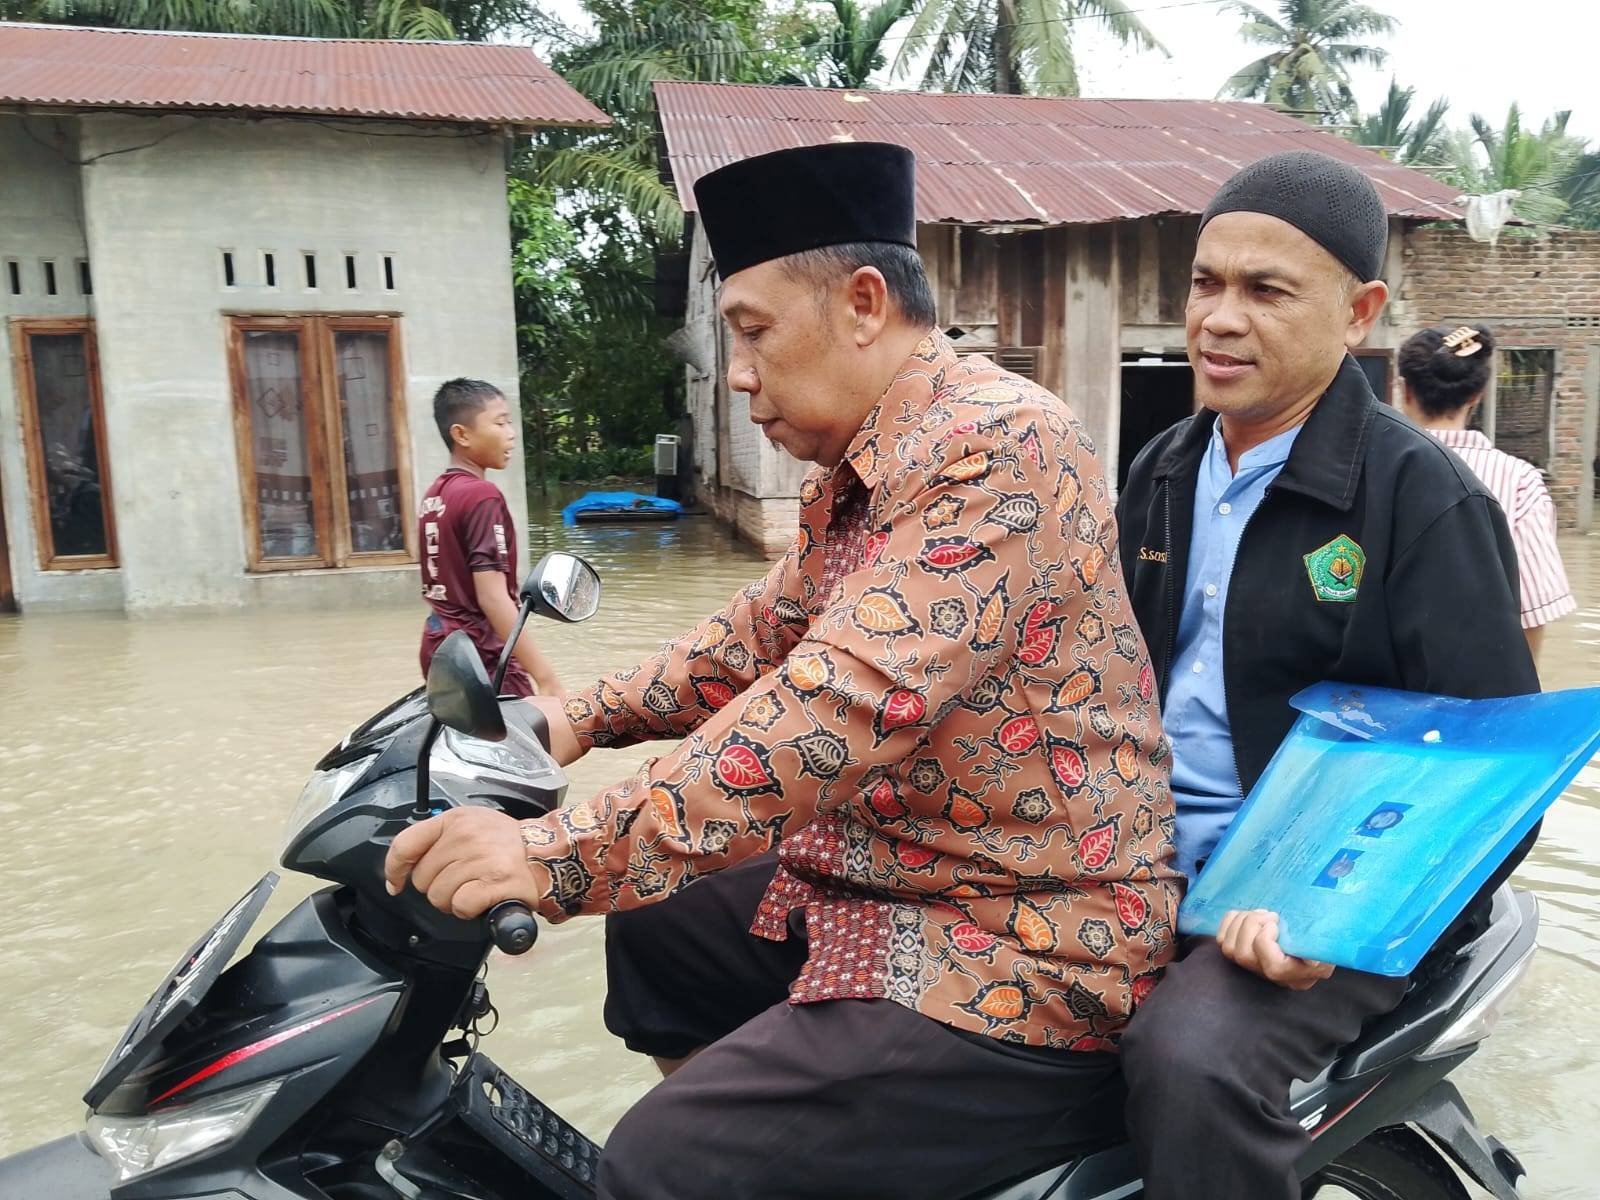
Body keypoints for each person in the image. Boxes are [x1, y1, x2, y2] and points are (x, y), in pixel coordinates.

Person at [386, 142, 1182, 1200]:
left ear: (863, 304)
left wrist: (555, 853)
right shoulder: (864, 467)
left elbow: (836, 703)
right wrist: (576, 717)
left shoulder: (1000, 446)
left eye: (754, 331)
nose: (740, 372)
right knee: (661, 928)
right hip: (899, 867)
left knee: (663, 1165)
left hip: (1021, 930)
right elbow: (756, 637)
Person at [1113, 150, 1539, 1200]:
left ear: (1359, 314)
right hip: (1141, 856)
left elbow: (1496, 779)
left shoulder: (1423, 498)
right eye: (1205, 283)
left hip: (1319, 892)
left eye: (1266, 291)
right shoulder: (1163, 469)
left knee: (1191, 1061)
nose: (1219, 320)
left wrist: (1324, 911)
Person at [1399, 323, 1576, 659]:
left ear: (1405, 389)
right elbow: (1532, 608)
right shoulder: (1520, 481)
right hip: (1477, 675)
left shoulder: (1365, 468)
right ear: (1475, 396)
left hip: (1374, 680)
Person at [419, 378, 562, 699]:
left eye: (510, 423)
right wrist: (546, 677)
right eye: (500, 423)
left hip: (440, 645)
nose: (511, 433)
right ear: (462, 435)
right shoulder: (482, 495)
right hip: (480, 654)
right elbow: (492, 598)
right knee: (537, 728)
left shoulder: (435, 495)